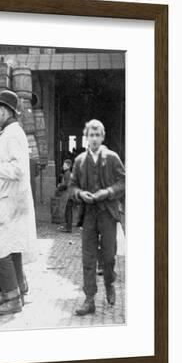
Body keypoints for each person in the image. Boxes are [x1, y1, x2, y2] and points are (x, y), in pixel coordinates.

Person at [0, 90, 37, 315]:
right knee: (14, 246)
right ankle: (18, 288)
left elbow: (19, 170)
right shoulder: (11, 133)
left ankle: (13, 300)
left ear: (5, 111)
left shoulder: (12, 135)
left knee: (2, 248)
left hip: (10, 202)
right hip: (12, 200)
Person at [69, 119, 125, 316]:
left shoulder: (112, 158)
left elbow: (124, 182)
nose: (93, 139)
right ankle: (89, 299)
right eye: (90, 135)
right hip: (89, 215)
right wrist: (79, 194)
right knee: (88, 258)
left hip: (107, 214)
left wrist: (107, 192)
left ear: (102, 137)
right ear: (86, 138)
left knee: (108, 257)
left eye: (97, 135)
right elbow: (72, 186)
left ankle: (109, 284)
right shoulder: (79, 161)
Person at [57, 159, 74, 233]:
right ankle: (68, 227)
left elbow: (66, 185)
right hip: (70, 194)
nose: (63, 166)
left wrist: (59, 186)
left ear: (68, 166)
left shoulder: (67, 174)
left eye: (64, 165)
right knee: (69, 211)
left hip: (68, 195)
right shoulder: (68, 173)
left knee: (68, 212)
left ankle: (68, 228)